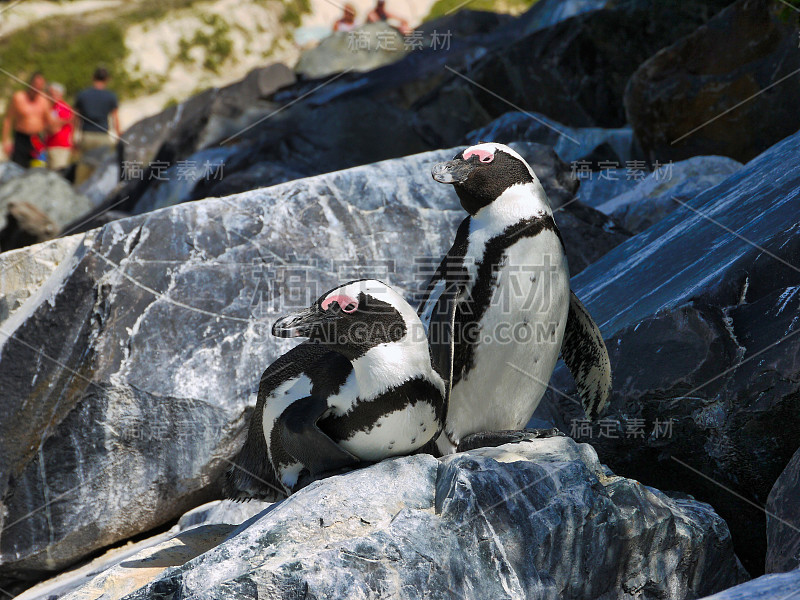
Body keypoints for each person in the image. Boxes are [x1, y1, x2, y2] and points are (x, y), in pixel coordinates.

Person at [73, 67, 121, 184]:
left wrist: (74, 135)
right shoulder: (110, 96)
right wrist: (119, 136)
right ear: (107, 79)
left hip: (86, 135)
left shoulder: (83, 94)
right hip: (103, 136)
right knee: (100, 171)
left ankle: (78, 194)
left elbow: (76, 117)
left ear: (93, 77)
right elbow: (115, 118)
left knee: (83, 170)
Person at [2, 72, 51, 168]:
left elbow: (48, 122)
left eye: (41, 85)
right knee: (17, 167)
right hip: (21, 137)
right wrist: (6, 140)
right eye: (36, 85)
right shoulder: (19, 97)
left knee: (37, 168)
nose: (38, 88)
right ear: (31, 84)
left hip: (36, 139)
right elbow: (8, 119)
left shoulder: (44, 100)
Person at [45, 82, 74, 170]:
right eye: (49, 93)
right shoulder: (50, 107)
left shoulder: (62, 107)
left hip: (60, 146)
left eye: (52, 93)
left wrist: (49, 124)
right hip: (50, 145)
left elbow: (54, 128)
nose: (50, 96)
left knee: (58, 172)